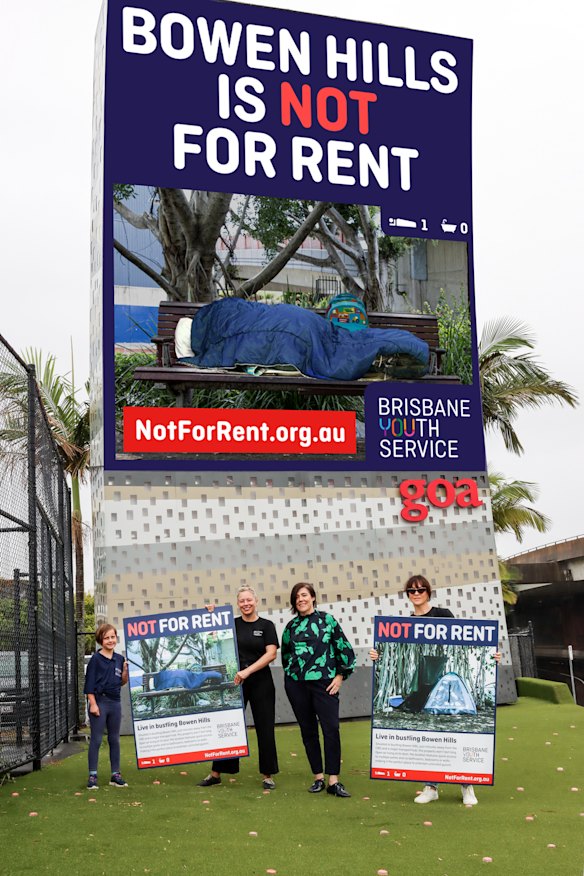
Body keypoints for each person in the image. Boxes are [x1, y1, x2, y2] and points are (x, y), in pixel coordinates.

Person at [370, 574, 500, 807]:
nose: (416, 593)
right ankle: (431, 787)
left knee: (455, 735)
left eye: (420, 589)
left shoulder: (443, 615)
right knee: (429, 736)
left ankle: (467, 786)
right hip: (423, 672)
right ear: (408, 595)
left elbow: (464, 640)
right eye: (411, 590)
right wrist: (377, 656)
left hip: (443, 669)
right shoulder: (407, 623)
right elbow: (395, 647)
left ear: (428, 592)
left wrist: (492, 654)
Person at [198, 587, 280, 790]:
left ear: (256, 601)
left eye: (249, 600)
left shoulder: (266, 626)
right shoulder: (232, 624)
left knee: (265, 728)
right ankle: (216, 773)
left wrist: (247, 671)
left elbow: (271, 654)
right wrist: (211, 614)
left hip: (261, 682)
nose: (245, 604)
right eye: (242, 601)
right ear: (238, 604)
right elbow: (210, 632)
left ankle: (267, 775)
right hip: (237, 682)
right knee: (228, 726)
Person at [282, 582, 356, 798]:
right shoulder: (291, 627)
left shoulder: (327, 621)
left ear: (313, 597)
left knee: (331, 729)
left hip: (325, 683)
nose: (300, 599)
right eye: (297, 597)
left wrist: (341, 676)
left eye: (304, 595)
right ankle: (318, 777)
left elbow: (344, 648)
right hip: (297, 684)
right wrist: (291, 676)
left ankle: (334, 780)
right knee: (308, 731)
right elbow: (286, 654)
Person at [84, 623, 129, 789]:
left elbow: (122, 682)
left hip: (115, 703)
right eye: (107, 637)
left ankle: (115, 774)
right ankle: (92, 775)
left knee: (114, 739)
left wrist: (125, 671)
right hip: (100, 702)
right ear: (100, 640)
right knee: (96, 739)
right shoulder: (96, 659)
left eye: (112, 637)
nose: (110, 640)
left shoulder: (119, 659)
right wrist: (93, 704)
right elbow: (88, 684)